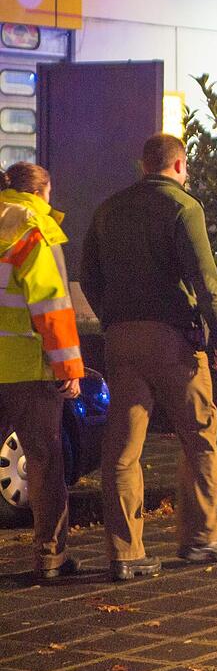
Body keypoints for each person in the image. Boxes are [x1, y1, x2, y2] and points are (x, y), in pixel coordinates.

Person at [81, 134, 217, 582]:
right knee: (199, 436)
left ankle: (125, 552)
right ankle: (200, 537)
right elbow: (205, 279)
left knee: (122, 451)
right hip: (173, 341)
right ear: (179, 164)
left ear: (143, 164)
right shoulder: (183, 207)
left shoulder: (110, 209)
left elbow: (88, 273)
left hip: (122, 340)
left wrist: (114, 313)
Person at [0, 162, 84, 579]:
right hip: (27, 368)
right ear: (43, 191)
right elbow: (50, 303)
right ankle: (50, 556)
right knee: (45, 460)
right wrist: (68, 364)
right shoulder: (34, 228)